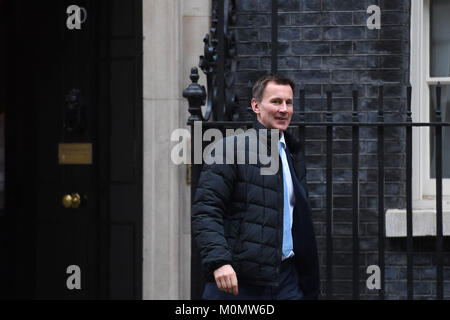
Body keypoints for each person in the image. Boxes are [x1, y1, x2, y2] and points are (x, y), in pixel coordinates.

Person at [192, 73, 320, 300]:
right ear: (256, 106)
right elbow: (206, 210)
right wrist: (219, 262)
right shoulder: (229, 149)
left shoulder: (291, 152)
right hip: (240, 282)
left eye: (288, 103)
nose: (283, 109)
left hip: (286, 279)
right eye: (276, 102)